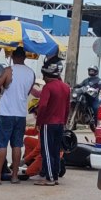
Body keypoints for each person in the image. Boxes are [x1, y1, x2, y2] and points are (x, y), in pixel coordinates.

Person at [0, 47, 36, 185]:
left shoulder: (8, 70)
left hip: (6, 113)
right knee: (17, 145)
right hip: (20, 114)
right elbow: (27, 90)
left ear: (13, 56)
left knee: (2, 145)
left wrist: (0, 82)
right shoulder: (31, 73)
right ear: (24, 57)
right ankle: (14, 176)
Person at [34, 58, 70, 186]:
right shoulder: (66, 87)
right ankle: (55, 176)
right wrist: (64, 121)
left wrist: (39, 121)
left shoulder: (48, 87)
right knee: (55, 150)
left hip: (48, 123)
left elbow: (42, 106)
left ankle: (49, 178)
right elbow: (67, 108)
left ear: (46, 75)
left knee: (47, 151)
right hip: (60, 123)